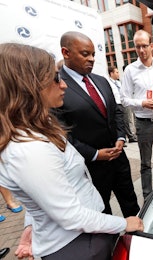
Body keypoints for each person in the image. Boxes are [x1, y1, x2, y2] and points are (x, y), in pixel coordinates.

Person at [0, 42, 143, 259]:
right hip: (78, 245)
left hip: (88, 233)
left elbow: (39, 192)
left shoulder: (39, 126)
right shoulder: (29, 149)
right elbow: (71, 215)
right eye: (55, 78)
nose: (63, 85)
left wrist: (31, 225)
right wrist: (123, 223)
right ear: (29, 85)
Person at [54, 31, 140, 217]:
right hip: (90, 167)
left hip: (118, 157)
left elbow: (115, 111)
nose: (92, 59)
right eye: (85, 54)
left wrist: (120, 137)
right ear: (66, 52)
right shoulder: (57, 86)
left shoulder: (101, 80)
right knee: (102, 211)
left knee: (131, 203)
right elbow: (61, 132)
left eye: (93, 54)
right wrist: (94, 154)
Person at [120, 29, 153, 199]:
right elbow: (124, 99)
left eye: (144, 46)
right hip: (143, 123)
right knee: (145, 163)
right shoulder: (130, 70)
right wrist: (142, 103)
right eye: (138, 47)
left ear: (152, 46)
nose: (141, 50)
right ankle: (147, 198)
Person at [107, 65, 137, 143]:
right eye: (116, 72)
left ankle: (131, 136)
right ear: (111, 73)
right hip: (116, 104)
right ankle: (123, 138)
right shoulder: (108, 83)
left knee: (127, 120)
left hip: (123, 103)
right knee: (119, 122)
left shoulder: (118, 83)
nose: (118, 74)